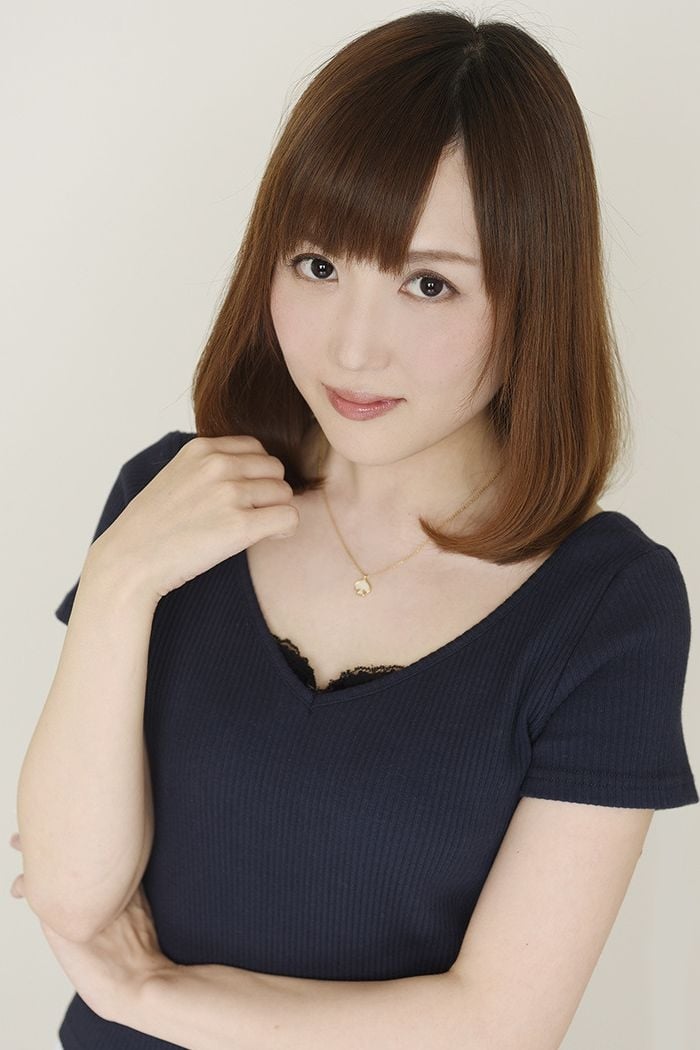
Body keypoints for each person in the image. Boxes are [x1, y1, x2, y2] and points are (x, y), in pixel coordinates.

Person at [16, 10, 697, 1050]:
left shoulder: (607, 605)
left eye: (428, 284)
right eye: (317, 265)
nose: (351, 347)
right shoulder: (173, 500)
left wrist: (149, 999)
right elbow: (71, 894)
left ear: (533, 298)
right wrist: (117, 582)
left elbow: (500, 1023)